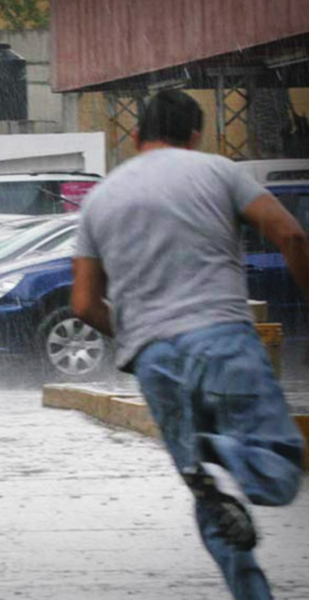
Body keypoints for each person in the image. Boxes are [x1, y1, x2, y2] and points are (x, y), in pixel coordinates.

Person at [72, 90, 306, 599]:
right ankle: (218, 450)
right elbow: (290, 235)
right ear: (196, 135)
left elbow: (85, 304)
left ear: (135, 138)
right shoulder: (217, 171)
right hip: (221, 339)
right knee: (280, 469)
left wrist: (137, 335)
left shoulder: (101, 198)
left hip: (155, 361)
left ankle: (251, 591)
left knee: (208, 498)